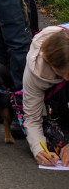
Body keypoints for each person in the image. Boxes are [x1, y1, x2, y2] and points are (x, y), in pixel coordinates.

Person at [23, 24, 69, 167]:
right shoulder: (35, 71)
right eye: (63, 73)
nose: (67, 78)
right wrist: (38, 148)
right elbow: (32, 118)